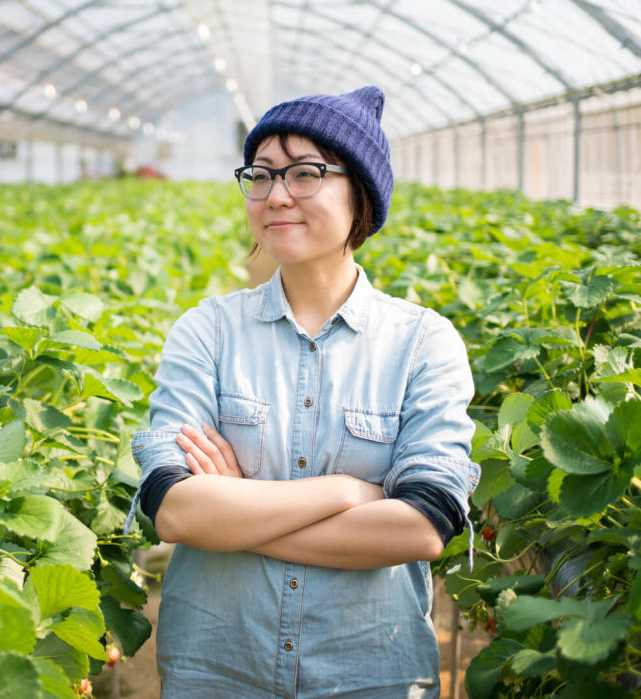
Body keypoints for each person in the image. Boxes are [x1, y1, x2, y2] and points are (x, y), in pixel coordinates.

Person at [122, 86, 479, 698]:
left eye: (306, 173)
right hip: (217, 670)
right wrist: (347, 492)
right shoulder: (205, 332)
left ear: (361, 193)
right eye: (259, 176)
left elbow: (422, 527)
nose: (276, 195)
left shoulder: (423, 343)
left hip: (369, 675)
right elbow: (175, 510)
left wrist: (236, 507)